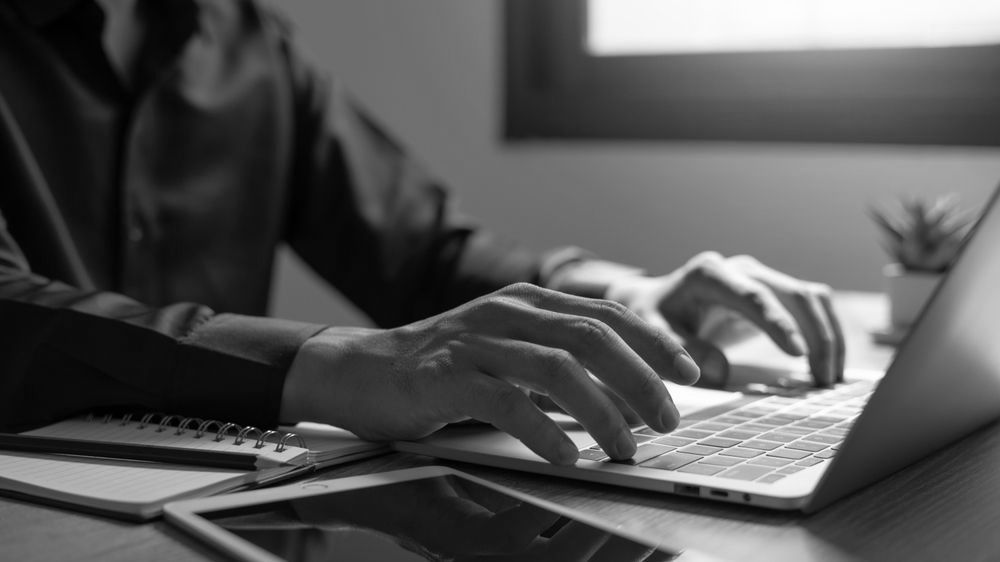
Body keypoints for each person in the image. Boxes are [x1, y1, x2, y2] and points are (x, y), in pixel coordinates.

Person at [0, 0, 844, 465]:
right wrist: (336, 362)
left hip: (217, 505)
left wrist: (624, 299)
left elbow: (420, 252)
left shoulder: (247, 41)